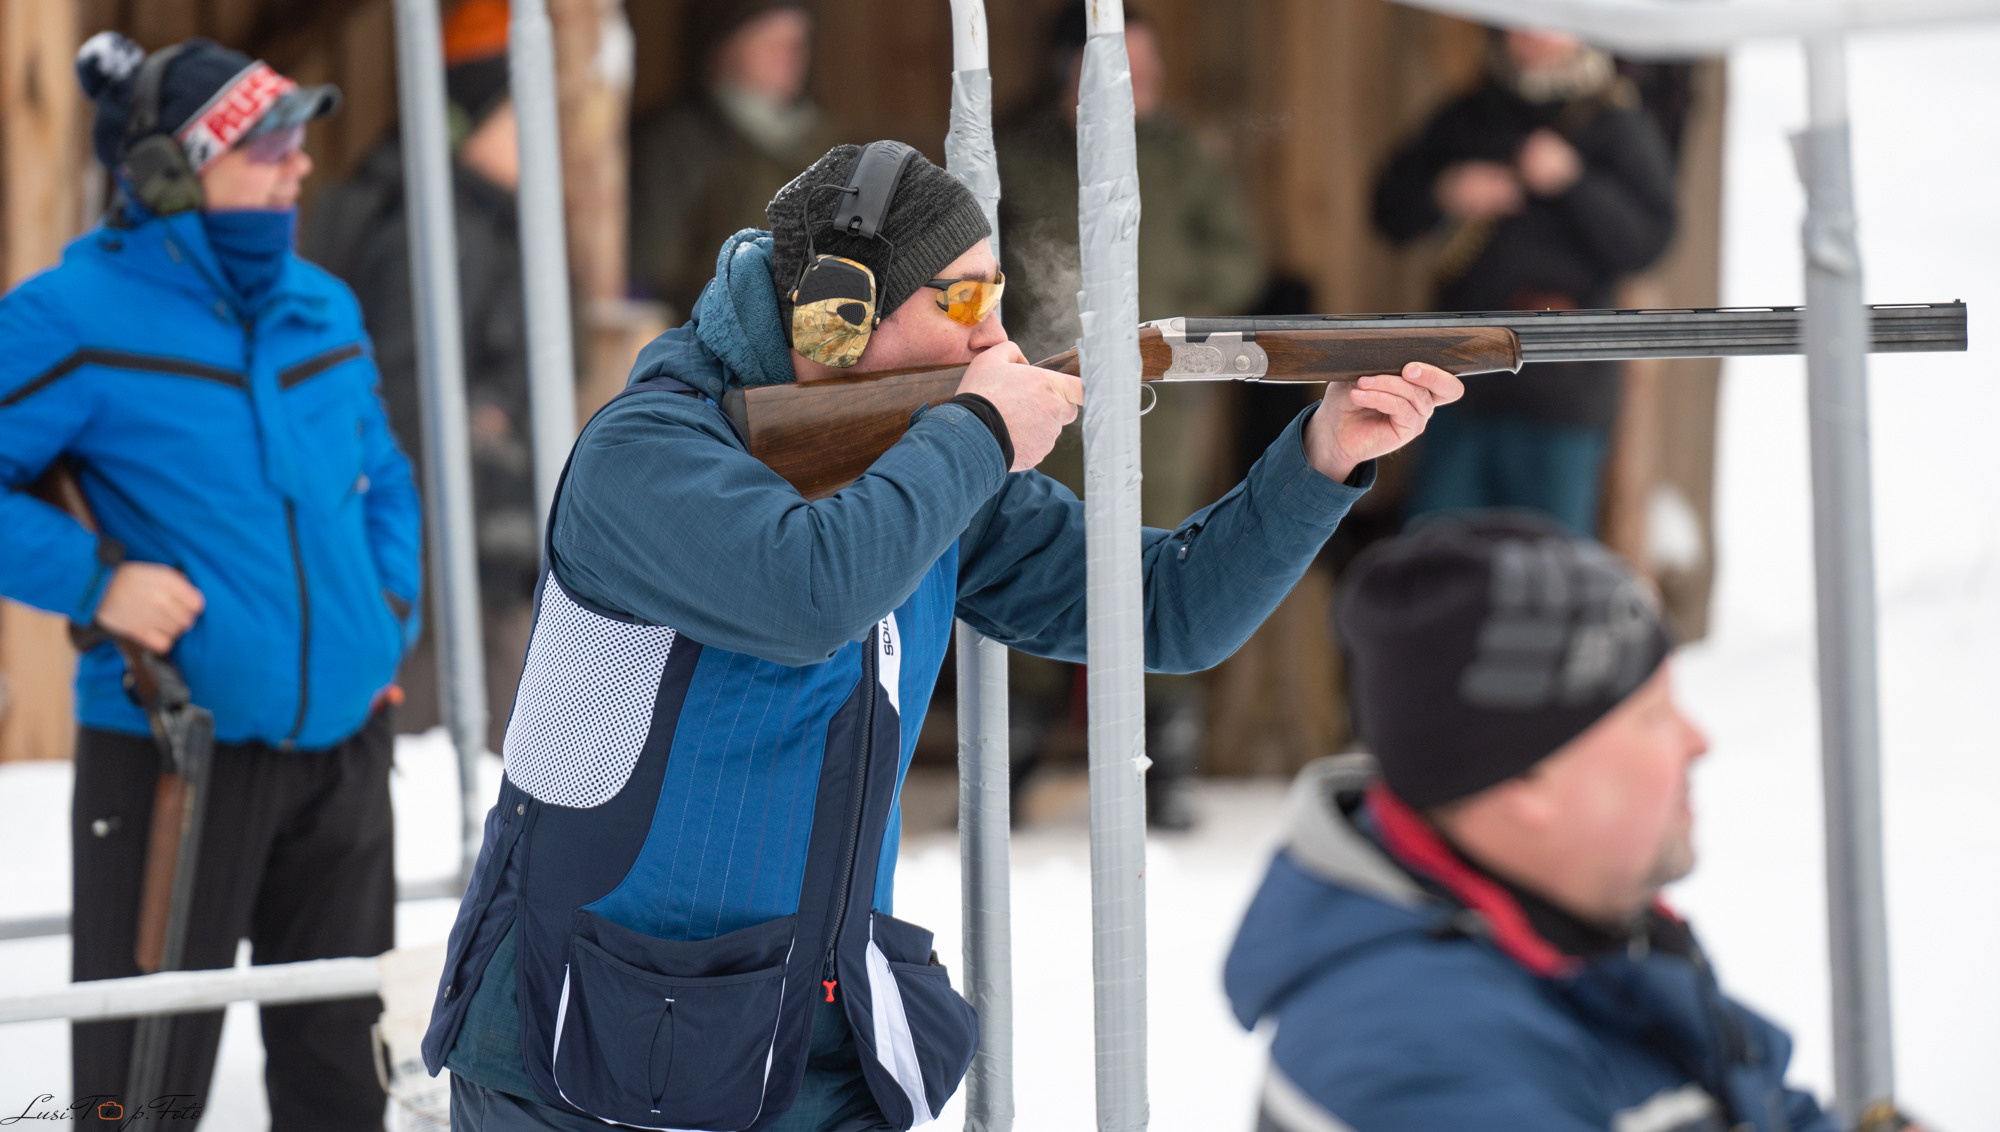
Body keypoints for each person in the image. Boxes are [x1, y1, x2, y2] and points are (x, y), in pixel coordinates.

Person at [423, 140, 1463, 1131]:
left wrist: (1322, 458)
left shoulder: (921, 466)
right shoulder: (644, 453)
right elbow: (807, 593)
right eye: (959, 300)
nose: (990, 340)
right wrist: (974, 434)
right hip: (584, 1057)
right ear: (835, 318)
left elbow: (1165, 610)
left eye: (996, 297)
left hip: (813, 1051)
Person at [0, 32, 421, 1129]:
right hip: (172, 757)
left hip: (346, 756)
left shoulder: (322, 305)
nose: (301, 166)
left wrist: (382, 620)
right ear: (168, 174)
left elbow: (383, 475)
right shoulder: (69, 319)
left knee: (344, 1075)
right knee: (139, 1091)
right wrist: (96, 583)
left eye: (297, 141)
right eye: (268, 144)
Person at [1224, 513, 1891, 1132]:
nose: (1698, 740)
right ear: (1523, 781)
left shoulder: (1574, 925)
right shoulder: (1429, 1059)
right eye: (1653, 714)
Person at [997, 0, 1268, 828]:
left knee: (1162, 560)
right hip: (1046, 392)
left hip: (1159, 402)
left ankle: (1167, 764)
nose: (1136, 84)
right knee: (1032, 552)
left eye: (1144, 70)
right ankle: (1014, 754)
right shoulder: (1018, 155)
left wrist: (1169, 321)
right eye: (1119, 69)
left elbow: (1240, 256)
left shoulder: (1181, 158)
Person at [306, 0, 537, 748]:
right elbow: (407, 402)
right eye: (519, 114)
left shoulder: (471, 218)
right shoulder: (437, 233)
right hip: (447, 559)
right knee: (462, 736)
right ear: (468, 122)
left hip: (471, 541)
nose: (540, 136)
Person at [1371, 29, 1678, 535]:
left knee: (1550, 566)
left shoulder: (1613, 121)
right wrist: (1446, 190)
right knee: (1437, 558)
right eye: (1518, 20)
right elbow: (1389, 209)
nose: (1529, 35)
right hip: (1457, 378)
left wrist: (1574, 182)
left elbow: (1650, 242)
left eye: (1545, 20)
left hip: (1560, 387)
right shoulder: (1472, 113)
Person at [629, 0, 837, 320]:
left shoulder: (824, 137)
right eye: (769, 42)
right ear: (720, 50)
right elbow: (649, 274)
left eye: (797, 42)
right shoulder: (677, 144)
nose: (789, 55)